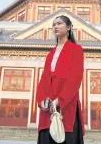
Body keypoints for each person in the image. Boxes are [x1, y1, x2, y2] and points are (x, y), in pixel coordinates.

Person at [36, 15, 84, 144]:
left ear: (68, 27)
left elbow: (75, 78)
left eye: (59, 23)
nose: (55, 26)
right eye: (53, 24)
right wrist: (41, 100)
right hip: (48, 107)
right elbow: (44, 79)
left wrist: (60, 100)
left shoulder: (76, 50)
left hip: (66, 105)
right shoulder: (50, 54)